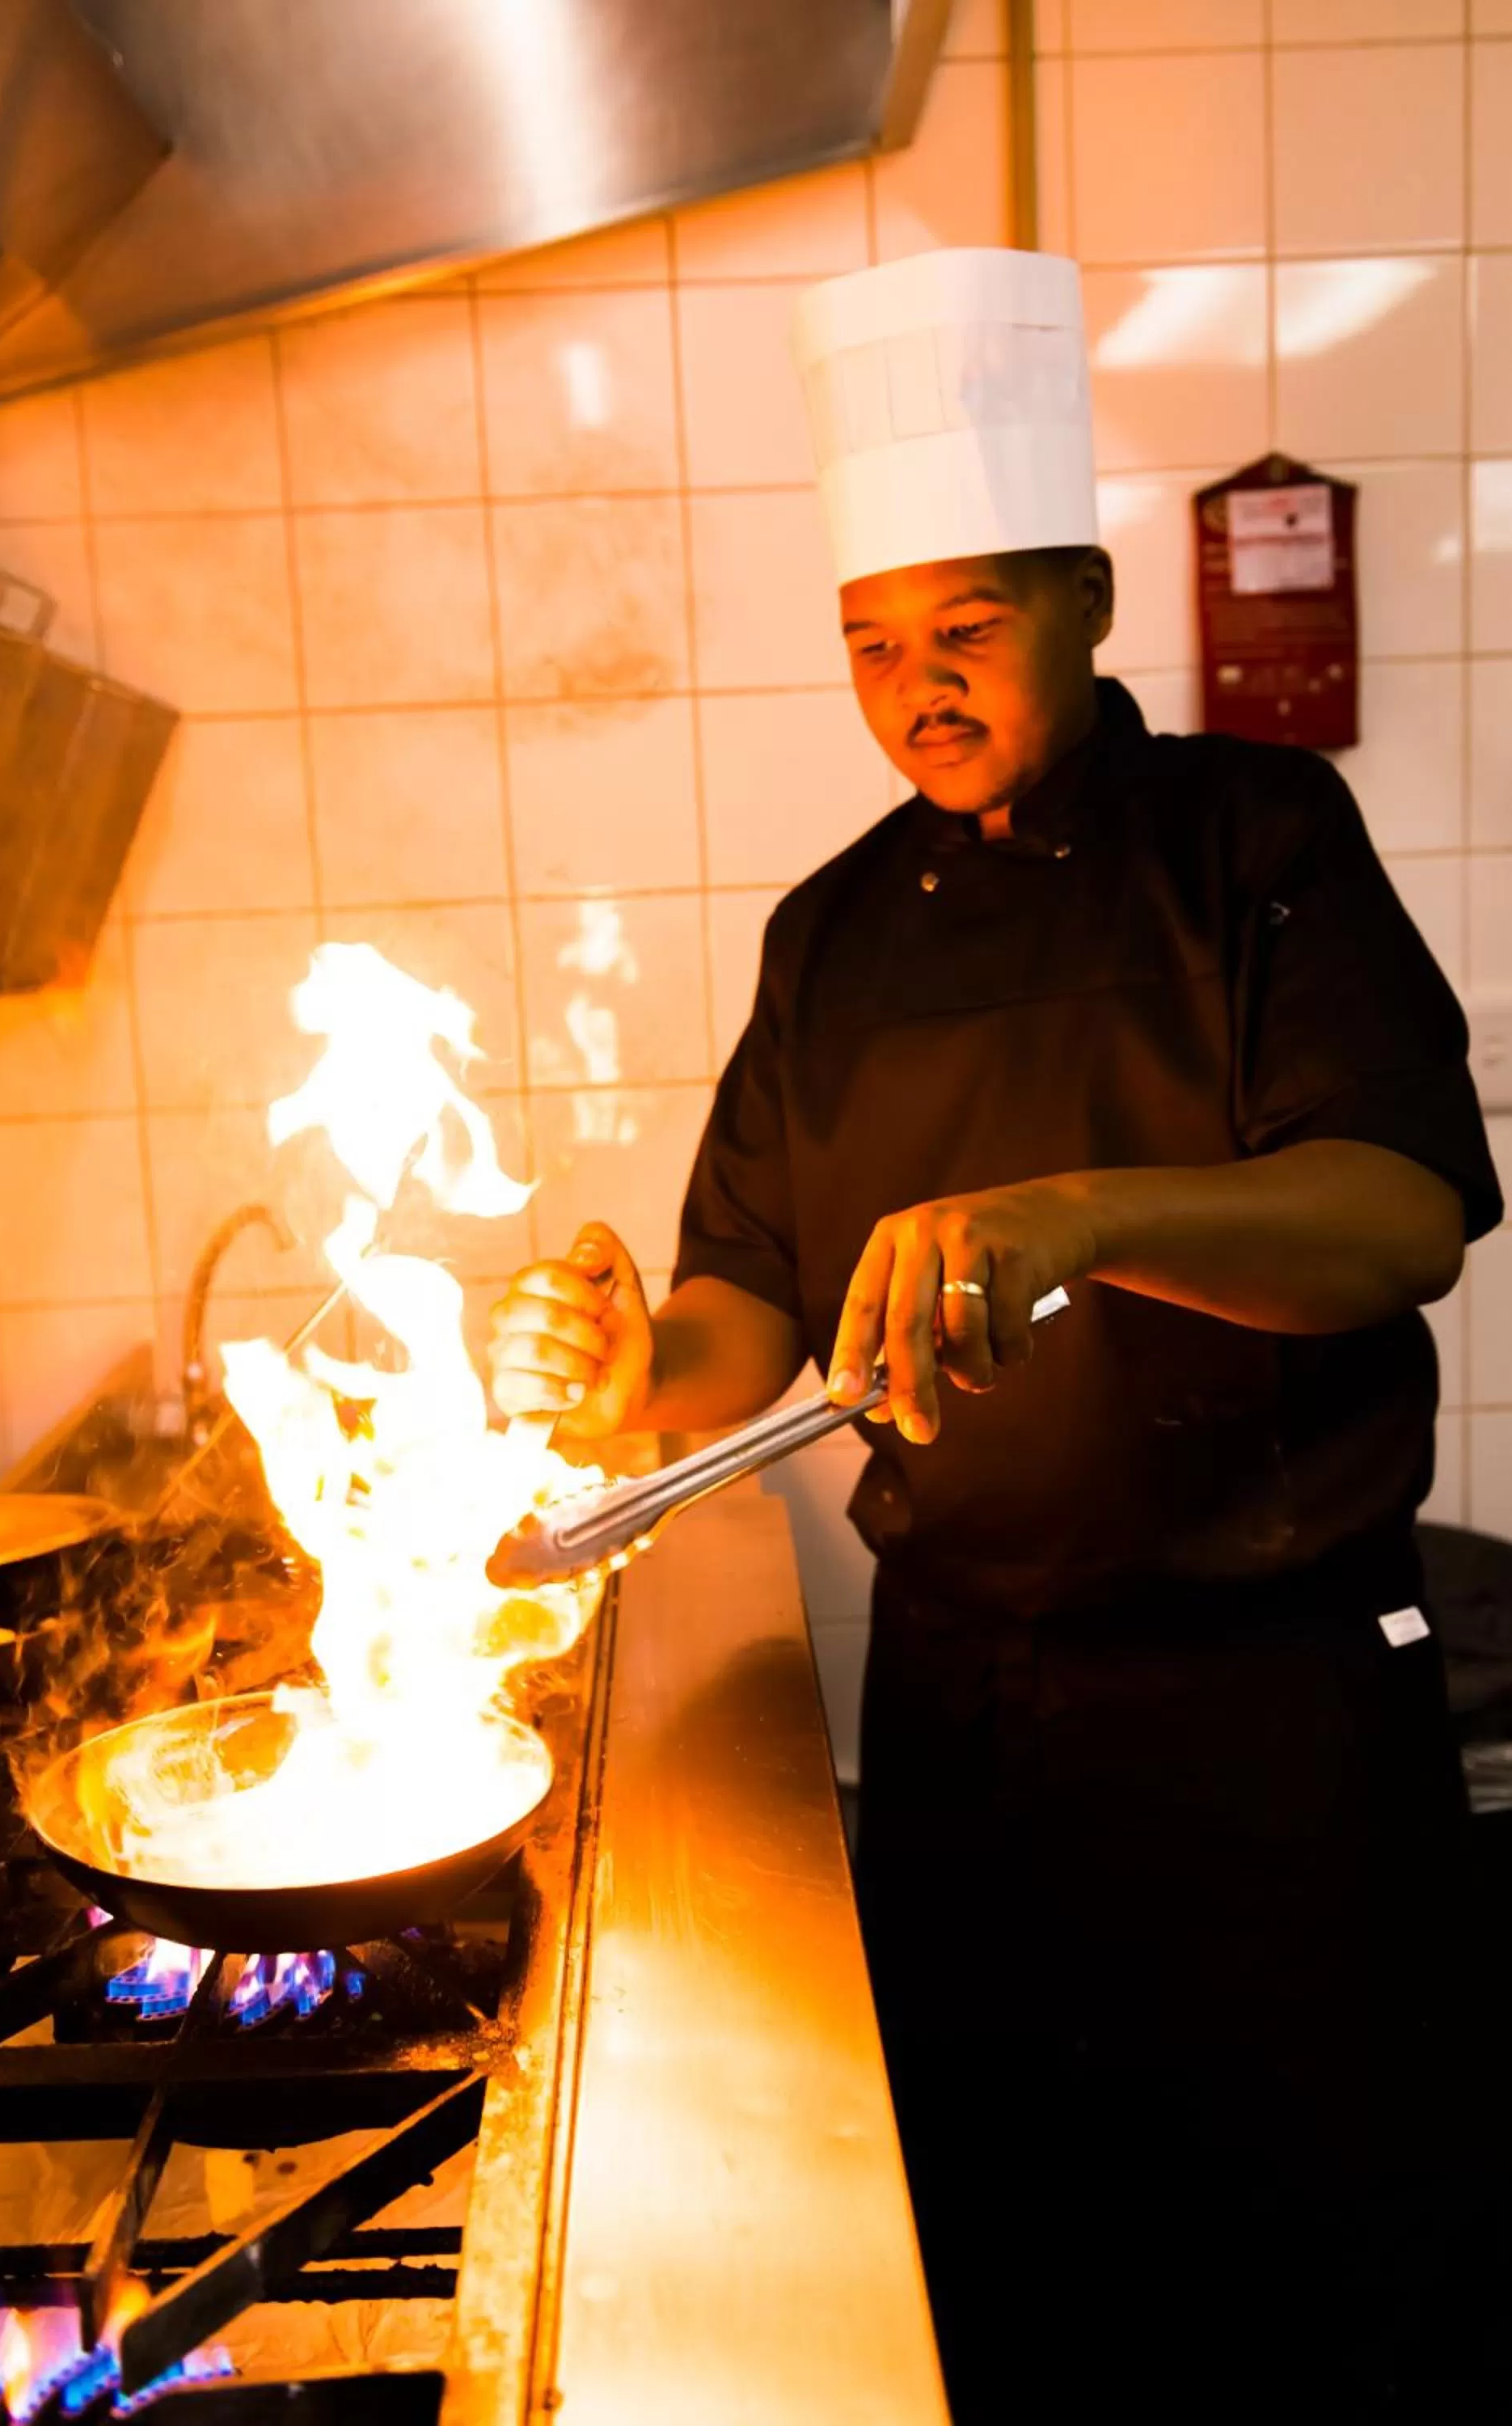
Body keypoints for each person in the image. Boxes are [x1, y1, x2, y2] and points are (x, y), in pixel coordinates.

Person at [488, 248, 1506, 2419]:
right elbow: (734, 1317)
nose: (912, 693)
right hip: (976, 1743)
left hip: (1279, 1730)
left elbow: (1403, 1220)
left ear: (1088, 606)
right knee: (1016, 2272)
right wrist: (612, 1368)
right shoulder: (834, 933)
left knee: (1325, 2286)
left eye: (964, 635)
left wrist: (1086, 1216)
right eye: (871, 648)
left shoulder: (1257, 840)